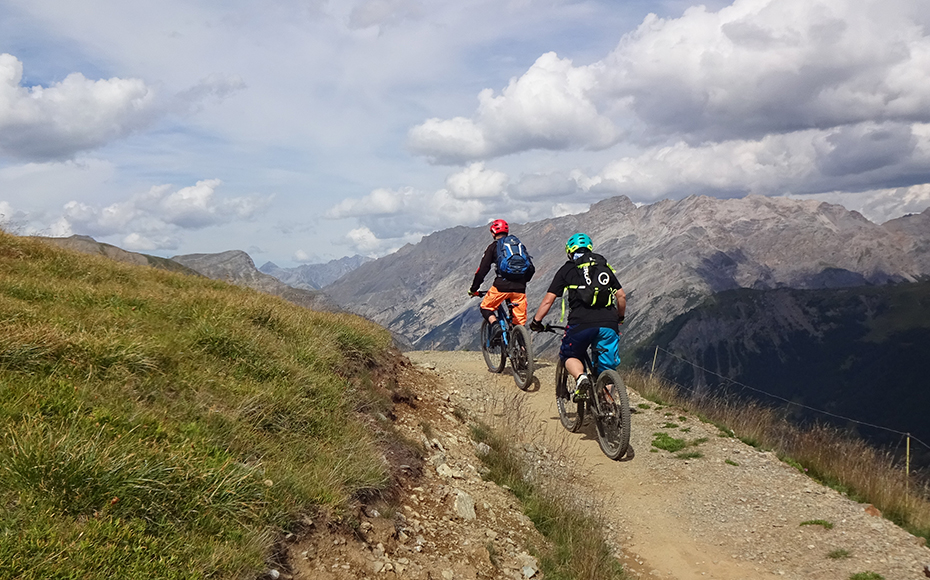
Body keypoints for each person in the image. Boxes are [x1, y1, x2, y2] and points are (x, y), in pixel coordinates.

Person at [529, 233, 626, 400]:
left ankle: (581, 378)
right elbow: (622, 296)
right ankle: (609, 408)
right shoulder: (604, 266)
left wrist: (536, 321)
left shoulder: (567, 269)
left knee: (570, 355)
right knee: (607, 367)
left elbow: (549, 300)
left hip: (581, 323)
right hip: (609, 323)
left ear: (570, 251)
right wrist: (619, 318)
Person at [468, 219, 535, 339]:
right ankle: (523, 350)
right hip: (520, 288)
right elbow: (531, 268)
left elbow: (482, 270)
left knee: (485, 307)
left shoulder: (493, 247)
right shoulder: (519, 246)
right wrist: (522, 282)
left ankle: (495, 326)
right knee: (519, 323)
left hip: (501, 286)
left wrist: (474, 289)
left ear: (493, 233)